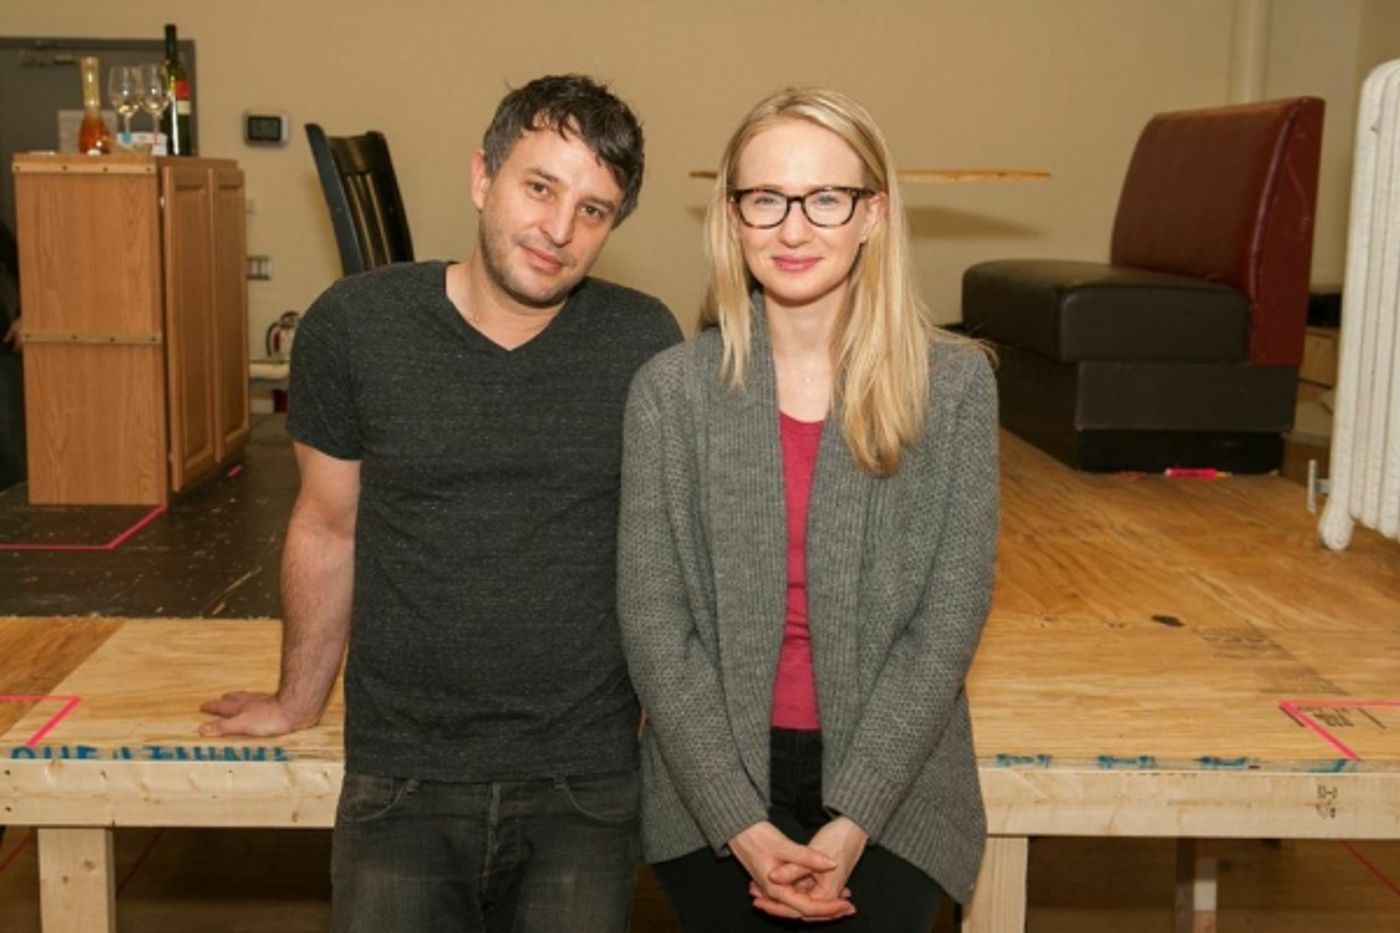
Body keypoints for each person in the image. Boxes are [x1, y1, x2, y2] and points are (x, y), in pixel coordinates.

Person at [199, 74, 681, 933]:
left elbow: (668, 558)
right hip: (403, 774)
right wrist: (297, 699)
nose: (559, 230)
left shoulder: (643, 341)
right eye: (539, 187)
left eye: (594, 210)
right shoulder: (355, 328)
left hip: (586, 779)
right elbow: (326, 522)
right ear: (481, 178)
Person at [618, 87, 998, 930]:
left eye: (826, 198)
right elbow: (654, 623)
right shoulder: (670, 394)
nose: (794, 229)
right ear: (734, 216)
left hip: (894, 789)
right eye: (767, 199)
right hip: (711, 791)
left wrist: (854, 816)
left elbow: (947, 620)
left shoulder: (956, 386)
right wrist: (739, 823)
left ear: (873, 213)